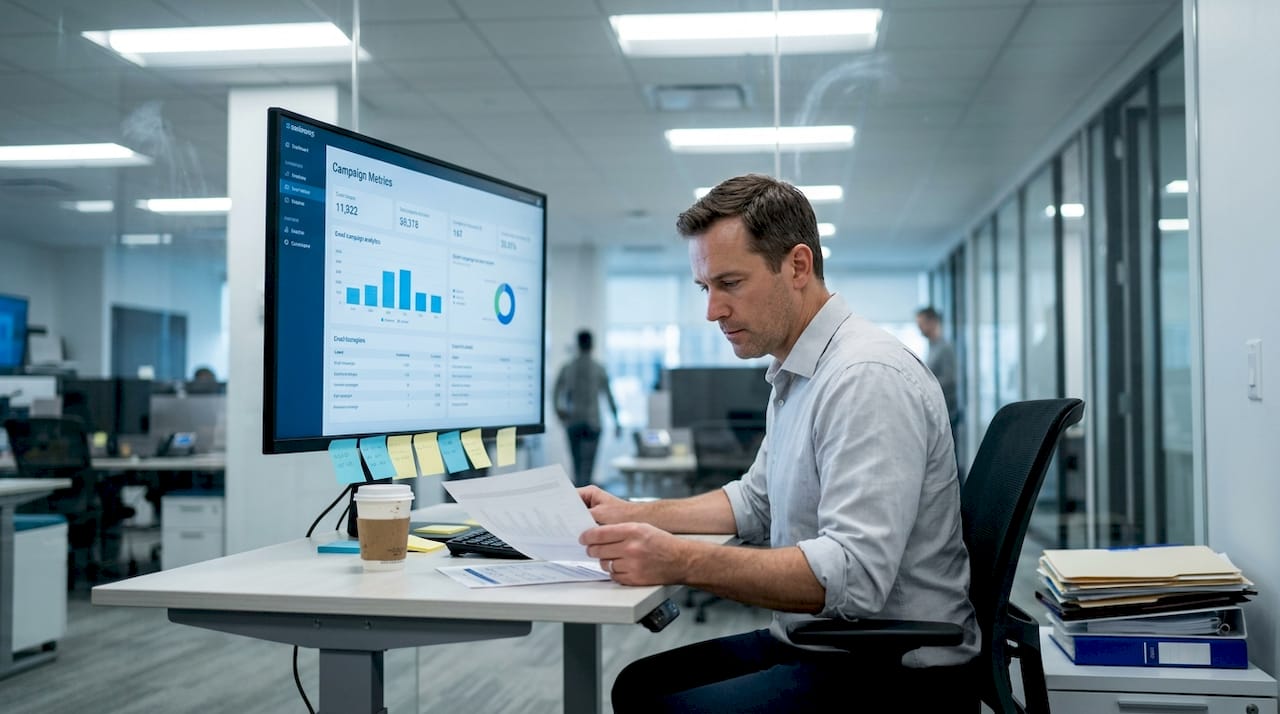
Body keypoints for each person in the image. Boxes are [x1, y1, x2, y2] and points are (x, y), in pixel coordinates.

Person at [577, 174, 979, 713]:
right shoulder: (798, 370)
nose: (712, 310)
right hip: (828, 641)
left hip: (892, 668)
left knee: (658, 704)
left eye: (730, 283)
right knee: (637, 687)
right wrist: (637, 512)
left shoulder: (864, 376)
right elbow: (755, 501)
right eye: (705, 288)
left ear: (797, 266)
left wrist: (679, 561)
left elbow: (853, 576)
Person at [553, 329, 621, 488]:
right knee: (588, 468)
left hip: (573, 421)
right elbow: (609, 396)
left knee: (577, 467)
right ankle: (586, 500)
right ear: (592, 345)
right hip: (593, 423)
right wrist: (617, 420)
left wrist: (559, 412)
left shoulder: (568, 367)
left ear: (577, 344)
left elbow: (555, 392)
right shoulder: (599, 368)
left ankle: (580, 498)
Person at [916, 306, 961, 438]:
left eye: (921, 324)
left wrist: (923, 386)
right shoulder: (932, 346)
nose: (919, 329)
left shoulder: (944, 348)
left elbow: (950, 379)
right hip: (937, 411)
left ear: (933, 322)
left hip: (947, 412)